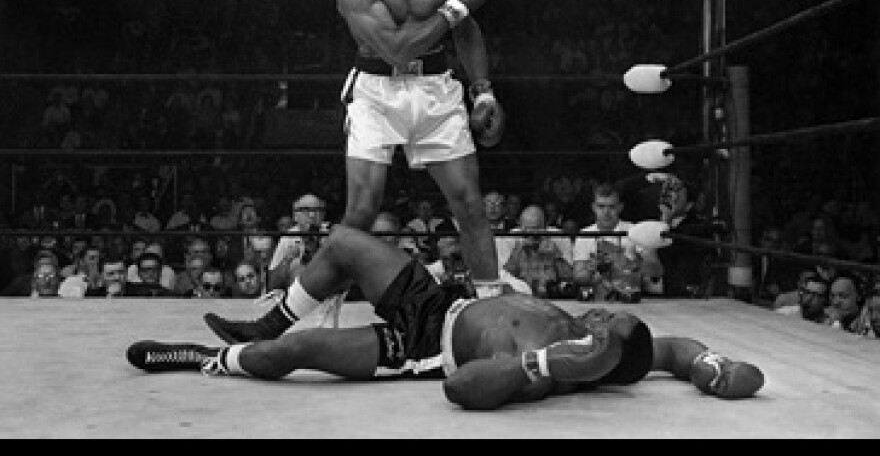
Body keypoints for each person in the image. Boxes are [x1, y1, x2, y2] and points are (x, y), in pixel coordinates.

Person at [202, 0, 507, 341]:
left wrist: (482, 92)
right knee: (360, 212)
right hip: (376, 91)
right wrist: (461, 2)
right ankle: (305, 317)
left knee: (470, 206)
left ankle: (495, 321)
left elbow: (466, 33)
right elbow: (396, 48)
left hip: (438, 91)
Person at [128, 225, 765, 410]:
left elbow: (458, 389)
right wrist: (715, 366)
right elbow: (675, 347)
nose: (598, 313)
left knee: (292, 358)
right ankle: (261, 323)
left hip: (420, 345)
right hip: (438, 298)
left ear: (600, 360)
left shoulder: (552, 369)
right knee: (346, 243)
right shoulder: (614, 343)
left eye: (603, 327)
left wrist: (542, 364)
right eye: (603, 317)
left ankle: (209, 359)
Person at [572, 183, 641, 302]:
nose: (606, 212)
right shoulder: (584, 235)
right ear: (593, 207)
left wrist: (629, 264)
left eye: (611, 207)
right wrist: (590, 268)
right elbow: (578, 277)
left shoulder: (635, 231)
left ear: (620, 207)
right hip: (596, 299)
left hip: (630, 298)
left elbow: (653, 271)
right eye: (601, 206)